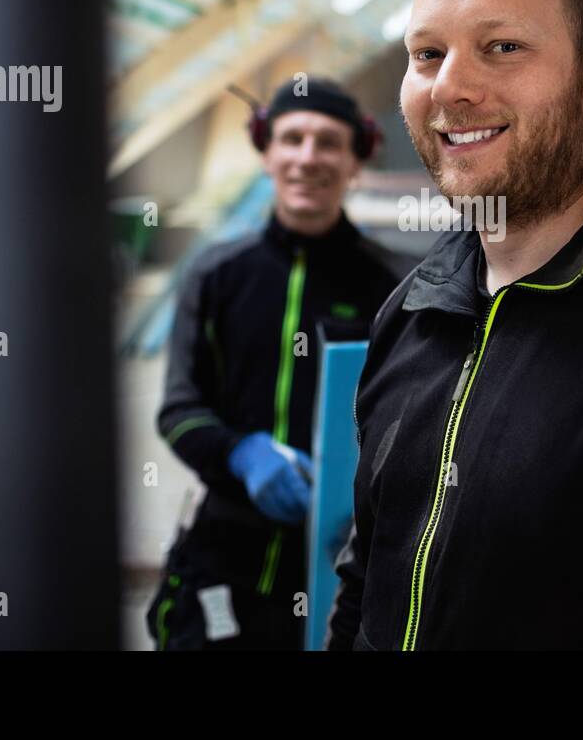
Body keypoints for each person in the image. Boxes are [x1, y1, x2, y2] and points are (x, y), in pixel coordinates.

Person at [325, 0, 583, 650]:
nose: (451, 87)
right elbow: (367, 575)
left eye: (501, 47)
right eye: (427, 54)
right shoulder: (413, 308)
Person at [146, 75, 413, 650]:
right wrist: (241, 454)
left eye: (328, 142)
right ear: (266, 154)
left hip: (345, 565)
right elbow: (179, 408)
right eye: (291, 139)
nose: (307, 158)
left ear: (355, 161)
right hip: (225, 556)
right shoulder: (217, 275)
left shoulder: (396, 286)